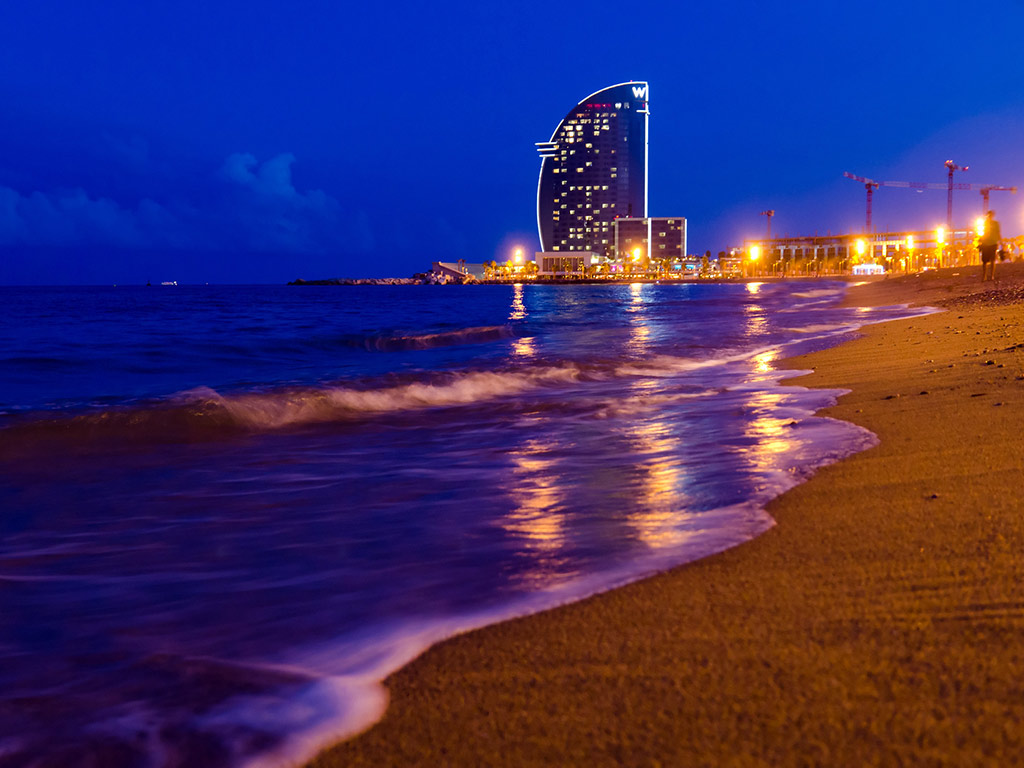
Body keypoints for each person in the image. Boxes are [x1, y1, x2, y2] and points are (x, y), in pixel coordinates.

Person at [979, 209, 1002, 281]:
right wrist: (981, 241)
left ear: (992, 215)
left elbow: (998, 233)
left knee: (992, 260)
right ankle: (984, 276)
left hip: (993, 243)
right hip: (985, 243)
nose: (989, 216)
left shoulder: (996, 223)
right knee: (984, 261)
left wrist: (1001, 242)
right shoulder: (985, 223)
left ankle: (992, 276)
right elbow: (983, 232)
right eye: (988, 215)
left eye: (990, 215)